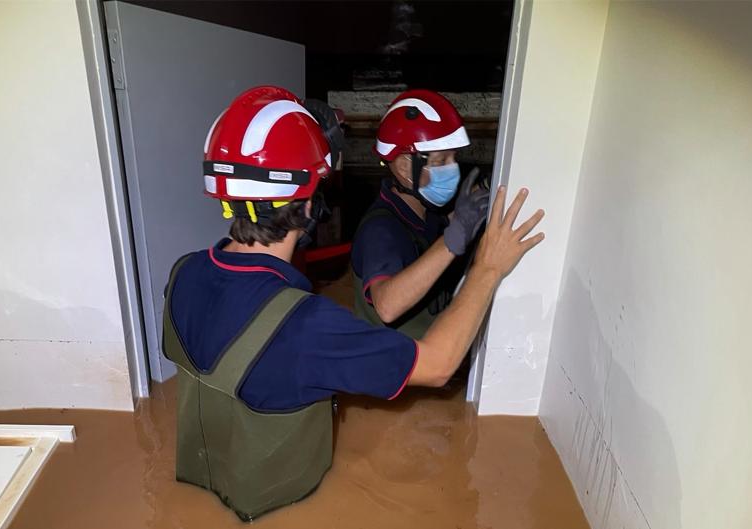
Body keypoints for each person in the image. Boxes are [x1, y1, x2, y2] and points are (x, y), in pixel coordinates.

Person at [162, 86, 545, 521]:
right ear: (309, 204)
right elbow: (437, 366)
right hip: (288, 503)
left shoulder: (183, 274)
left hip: (204, 485)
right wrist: (488, 268)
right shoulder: (306, 325)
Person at [351, 89, 491, 339]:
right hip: (391, 372)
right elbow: (387, 306)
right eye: (440, 161)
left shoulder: (424, 213)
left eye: (454, 158)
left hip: (424, 361)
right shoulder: (381, 230)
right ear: (405, 166)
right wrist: (454, 237)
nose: (452, 169)